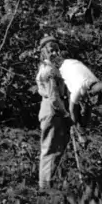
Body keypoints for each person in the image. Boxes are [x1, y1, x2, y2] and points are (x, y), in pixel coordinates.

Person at [36, 36, 70, 190]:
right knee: (50, 149)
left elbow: (42, 91)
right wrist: (65, 114)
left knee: (53, 149)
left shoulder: (46, 68)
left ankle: (49, 184)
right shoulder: (49, 70)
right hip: (52, 111)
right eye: (51, 50)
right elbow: (54, 98)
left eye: (56, 50)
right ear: (44, 52)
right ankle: (46, 188)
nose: (55, 53)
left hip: (48, 110)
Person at [58, 56, 102, 131]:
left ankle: (83, 126)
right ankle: (71, 129)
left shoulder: (95, 82)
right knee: (70, 105)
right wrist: (74, 125)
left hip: (74, 63)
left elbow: (90, 101)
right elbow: (72, 109)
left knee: (86, 105)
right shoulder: (78, 88)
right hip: (63, 70)